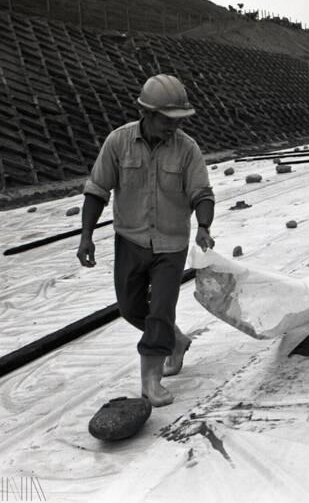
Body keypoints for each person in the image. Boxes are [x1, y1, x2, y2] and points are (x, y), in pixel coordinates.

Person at [77, 74, 216, 407]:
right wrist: (86, 236)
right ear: (147, 113)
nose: (173, 127)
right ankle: (175, 340)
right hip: (131, 240)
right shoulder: (118, 142)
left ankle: (150, 381)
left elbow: (201, 192)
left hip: (171, 244)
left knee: (160, 310)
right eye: (168, 120)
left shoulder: (187, 150)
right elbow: (97, 190)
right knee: (130, 308)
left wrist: (203, 224)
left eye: (178, 121)